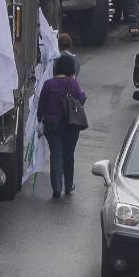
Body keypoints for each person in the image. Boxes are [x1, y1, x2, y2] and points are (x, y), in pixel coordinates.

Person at [36, 53, 86, 198]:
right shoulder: (73, 83)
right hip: (71, 124)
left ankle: (56, 188)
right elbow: (80, 100)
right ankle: (69, 186)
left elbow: (41, 105)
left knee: (55, 155)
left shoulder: (48, 84)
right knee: (69, 155)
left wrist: (40, 120)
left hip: (52, 125)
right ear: (71, 68)